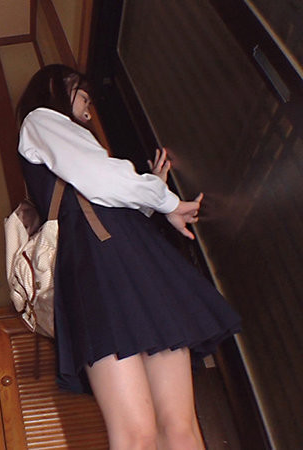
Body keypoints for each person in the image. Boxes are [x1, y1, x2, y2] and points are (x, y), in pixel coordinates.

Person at [16, 64, 240, 449]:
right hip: (106, 265)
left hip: (117, 259)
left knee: (169, 430)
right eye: (83, 95)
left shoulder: (62, 135)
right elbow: (99, 179)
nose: (88, 108)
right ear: (56, 87)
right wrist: (165, 199)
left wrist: (153, 193)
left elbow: (104, 196)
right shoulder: (41, 119)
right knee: (151, 432)